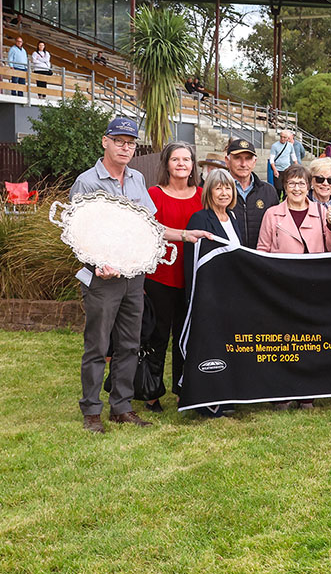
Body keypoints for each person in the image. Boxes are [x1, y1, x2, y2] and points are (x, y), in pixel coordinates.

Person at [70, 117, 210, 432]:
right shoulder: (87, 182)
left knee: (130, 344)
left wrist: (184, 235)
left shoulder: (136, 179)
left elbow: (150, 226)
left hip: (134, 276)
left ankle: (121, 407)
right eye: (119, 141)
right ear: (105, 142)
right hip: (102, 279)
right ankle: (91, 411)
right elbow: (77, 233)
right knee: (98, 346)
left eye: (130, 143)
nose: (125, 147)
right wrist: (96, 263)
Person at [257, 164, 331, 410]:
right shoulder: (272, 214)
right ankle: (282, 392)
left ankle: (307, 393)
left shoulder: (322, 211)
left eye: (301, 183)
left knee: (310, 339)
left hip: (313, 285)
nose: (297, 188)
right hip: (281, 286)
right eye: (291, 183)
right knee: (283, 339)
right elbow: (262, 250)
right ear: (284, 186)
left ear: (308, 186)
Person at [143, 142, 204, 412]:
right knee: (157, 335)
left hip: (192, 277)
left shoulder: (202, 195)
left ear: (193, 165)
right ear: (166, 164)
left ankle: (183, 389)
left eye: (186, 159)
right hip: (160, 276)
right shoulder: (154, 194)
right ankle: (151, 391)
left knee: (186, 336)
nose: (181, 164)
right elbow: (148, 229)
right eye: (175, 159)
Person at [184, 168, 244, 418]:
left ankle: (228, 394)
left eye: (227, 187)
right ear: (209, 191)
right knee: (210, 346)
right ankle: (209, 401)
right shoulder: (199, 219)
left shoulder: (233, 218)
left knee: (228, 345)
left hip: (233, 294)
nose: (223, 192)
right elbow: (193, 261)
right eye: (218, 187)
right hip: (209, 294)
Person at [224, 137, 277, 248]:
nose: (243, 164)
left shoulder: (268, 191)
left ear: (254, 162)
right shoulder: (216, 192)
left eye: (248, 158)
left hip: (260, 255)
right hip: (229, 255)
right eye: (237, 158)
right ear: (227, 161)